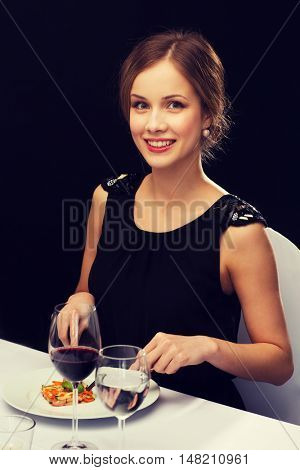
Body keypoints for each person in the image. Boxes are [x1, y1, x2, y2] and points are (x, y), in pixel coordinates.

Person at [57, 29, 294, 411]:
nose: (152, 124)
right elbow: (87, 289)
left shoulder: (239, 229)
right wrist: (80, 301)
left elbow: (279, 362)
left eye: (174, 105)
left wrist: (208, 347)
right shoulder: (107, 198)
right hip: (111, 408)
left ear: (208, 115)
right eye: (140, 105)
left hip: (197, 419)